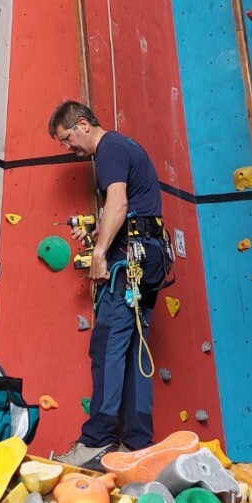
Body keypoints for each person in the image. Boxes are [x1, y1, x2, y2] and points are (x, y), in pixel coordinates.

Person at [48, 100, 173, 470]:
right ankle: (136, 444)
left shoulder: (109, 150)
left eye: (67, 138)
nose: (69, 148)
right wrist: (97, 232)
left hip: (127, 261)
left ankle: (97, 439)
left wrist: (100, 252)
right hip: (148, 259)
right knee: (134, 350)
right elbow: (131, 207)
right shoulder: (128, 146)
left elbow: (117, 201)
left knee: (107, 348)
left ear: (83, 124)